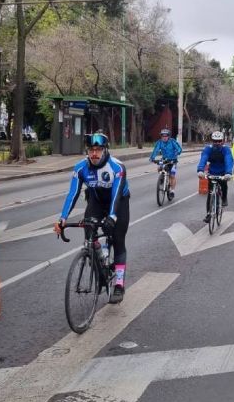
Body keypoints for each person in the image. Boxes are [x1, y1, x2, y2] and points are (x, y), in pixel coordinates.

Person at [54, 133, 131, 303]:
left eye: (98, 150)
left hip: (118, 202)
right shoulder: (80, 168)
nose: (94, 154)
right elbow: (73, 194)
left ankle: (119, 284)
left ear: (105, 150)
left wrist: (112, 217)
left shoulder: (117, 167)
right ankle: (96, 256)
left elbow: (117, 195)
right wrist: (63, 218)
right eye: (91, 150)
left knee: (118, 240)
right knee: (89, 230)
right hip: (96, 201)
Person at [197, 131, 233, 223]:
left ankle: (224, 198)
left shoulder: (226, 149)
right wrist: (200, 170)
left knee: (224, 185)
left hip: (223, 173)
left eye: (219, 141)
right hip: (212, 172)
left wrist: (228, 173)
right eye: (215, 141)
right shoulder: (208, 149)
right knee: (210, 193)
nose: (217, 143)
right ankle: (209, 214)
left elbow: (228, 160)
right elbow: (203, 159)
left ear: (222, 141)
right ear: (212, 141)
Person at [150, 128, 182, 199]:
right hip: (164, 159)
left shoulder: (172, 141)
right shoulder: (159, 142)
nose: (164, 137)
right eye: (163, 136)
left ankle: (172, 191)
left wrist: (178, 152)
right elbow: (155, 150)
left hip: (173, 160)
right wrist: (152, 158)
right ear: (161, 136)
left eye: (166, 136)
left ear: (168, 136)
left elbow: (179, 148)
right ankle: (162, 179)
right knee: (159, 167)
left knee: (172, 176)